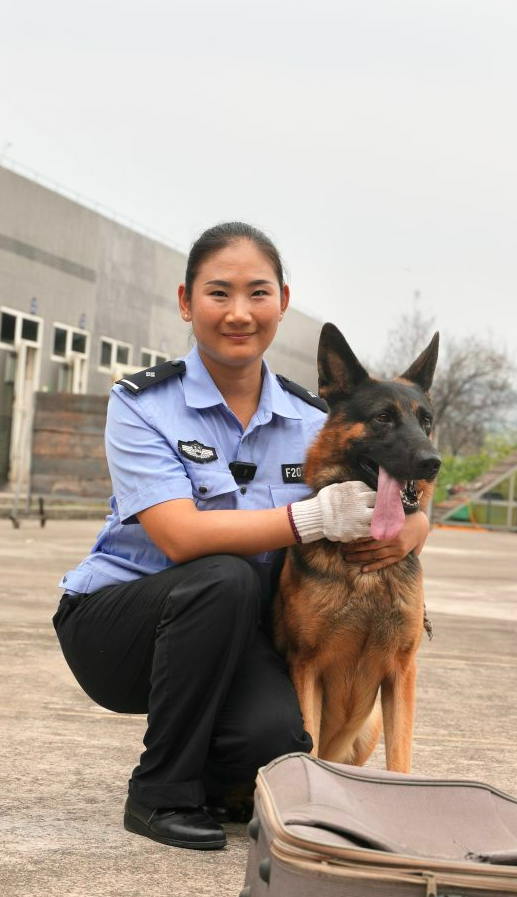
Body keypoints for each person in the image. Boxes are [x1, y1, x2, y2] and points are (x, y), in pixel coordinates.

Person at [52, 222, 430, 851]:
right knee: (223, 576)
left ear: (282, 302)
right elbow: (177, 537)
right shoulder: (144, 404)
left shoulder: (317, 418)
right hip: (120, 625)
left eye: (257, 293)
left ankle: (212, 778)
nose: (238, 313)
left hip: (235, 629)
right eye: (217, 293)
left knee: (276, 742)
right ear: (185, 301)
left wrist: (414, 523)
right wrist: (311, 519)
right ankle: (158, 792)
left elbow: (399, 464)